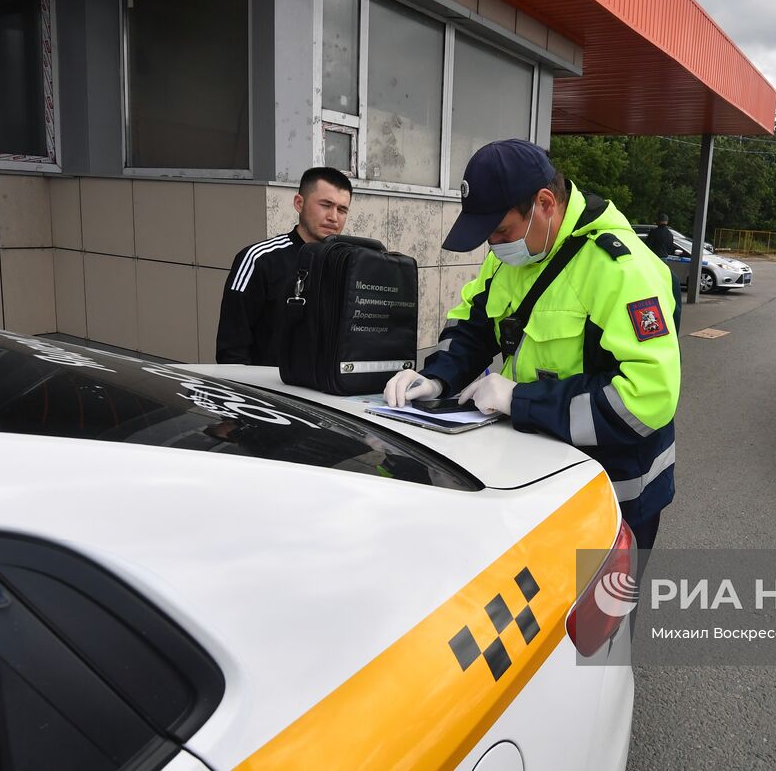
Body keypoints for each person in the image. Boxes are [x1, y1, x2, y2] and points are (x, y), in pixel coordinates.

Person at [383, 139, 680, 554]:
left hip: (614, 493)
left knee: (599, 614)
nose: (494, 245)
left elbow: (646, 400)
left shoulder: (623, 270)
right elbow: (473, 323)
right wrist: (436, 377)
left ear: (545, 203)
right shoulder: (513, 253)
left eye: (500, 231)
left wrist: (520, 399)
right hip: (536, 479)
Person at [216, 167, 352, 365]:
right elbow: (232, 349)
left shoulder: (347, 264)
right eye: (326, 205)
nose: (334, 217)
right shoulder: (258, 259)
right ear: (299, 203)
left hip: (325, 391)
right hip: (268, 391)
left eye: (342, 209)